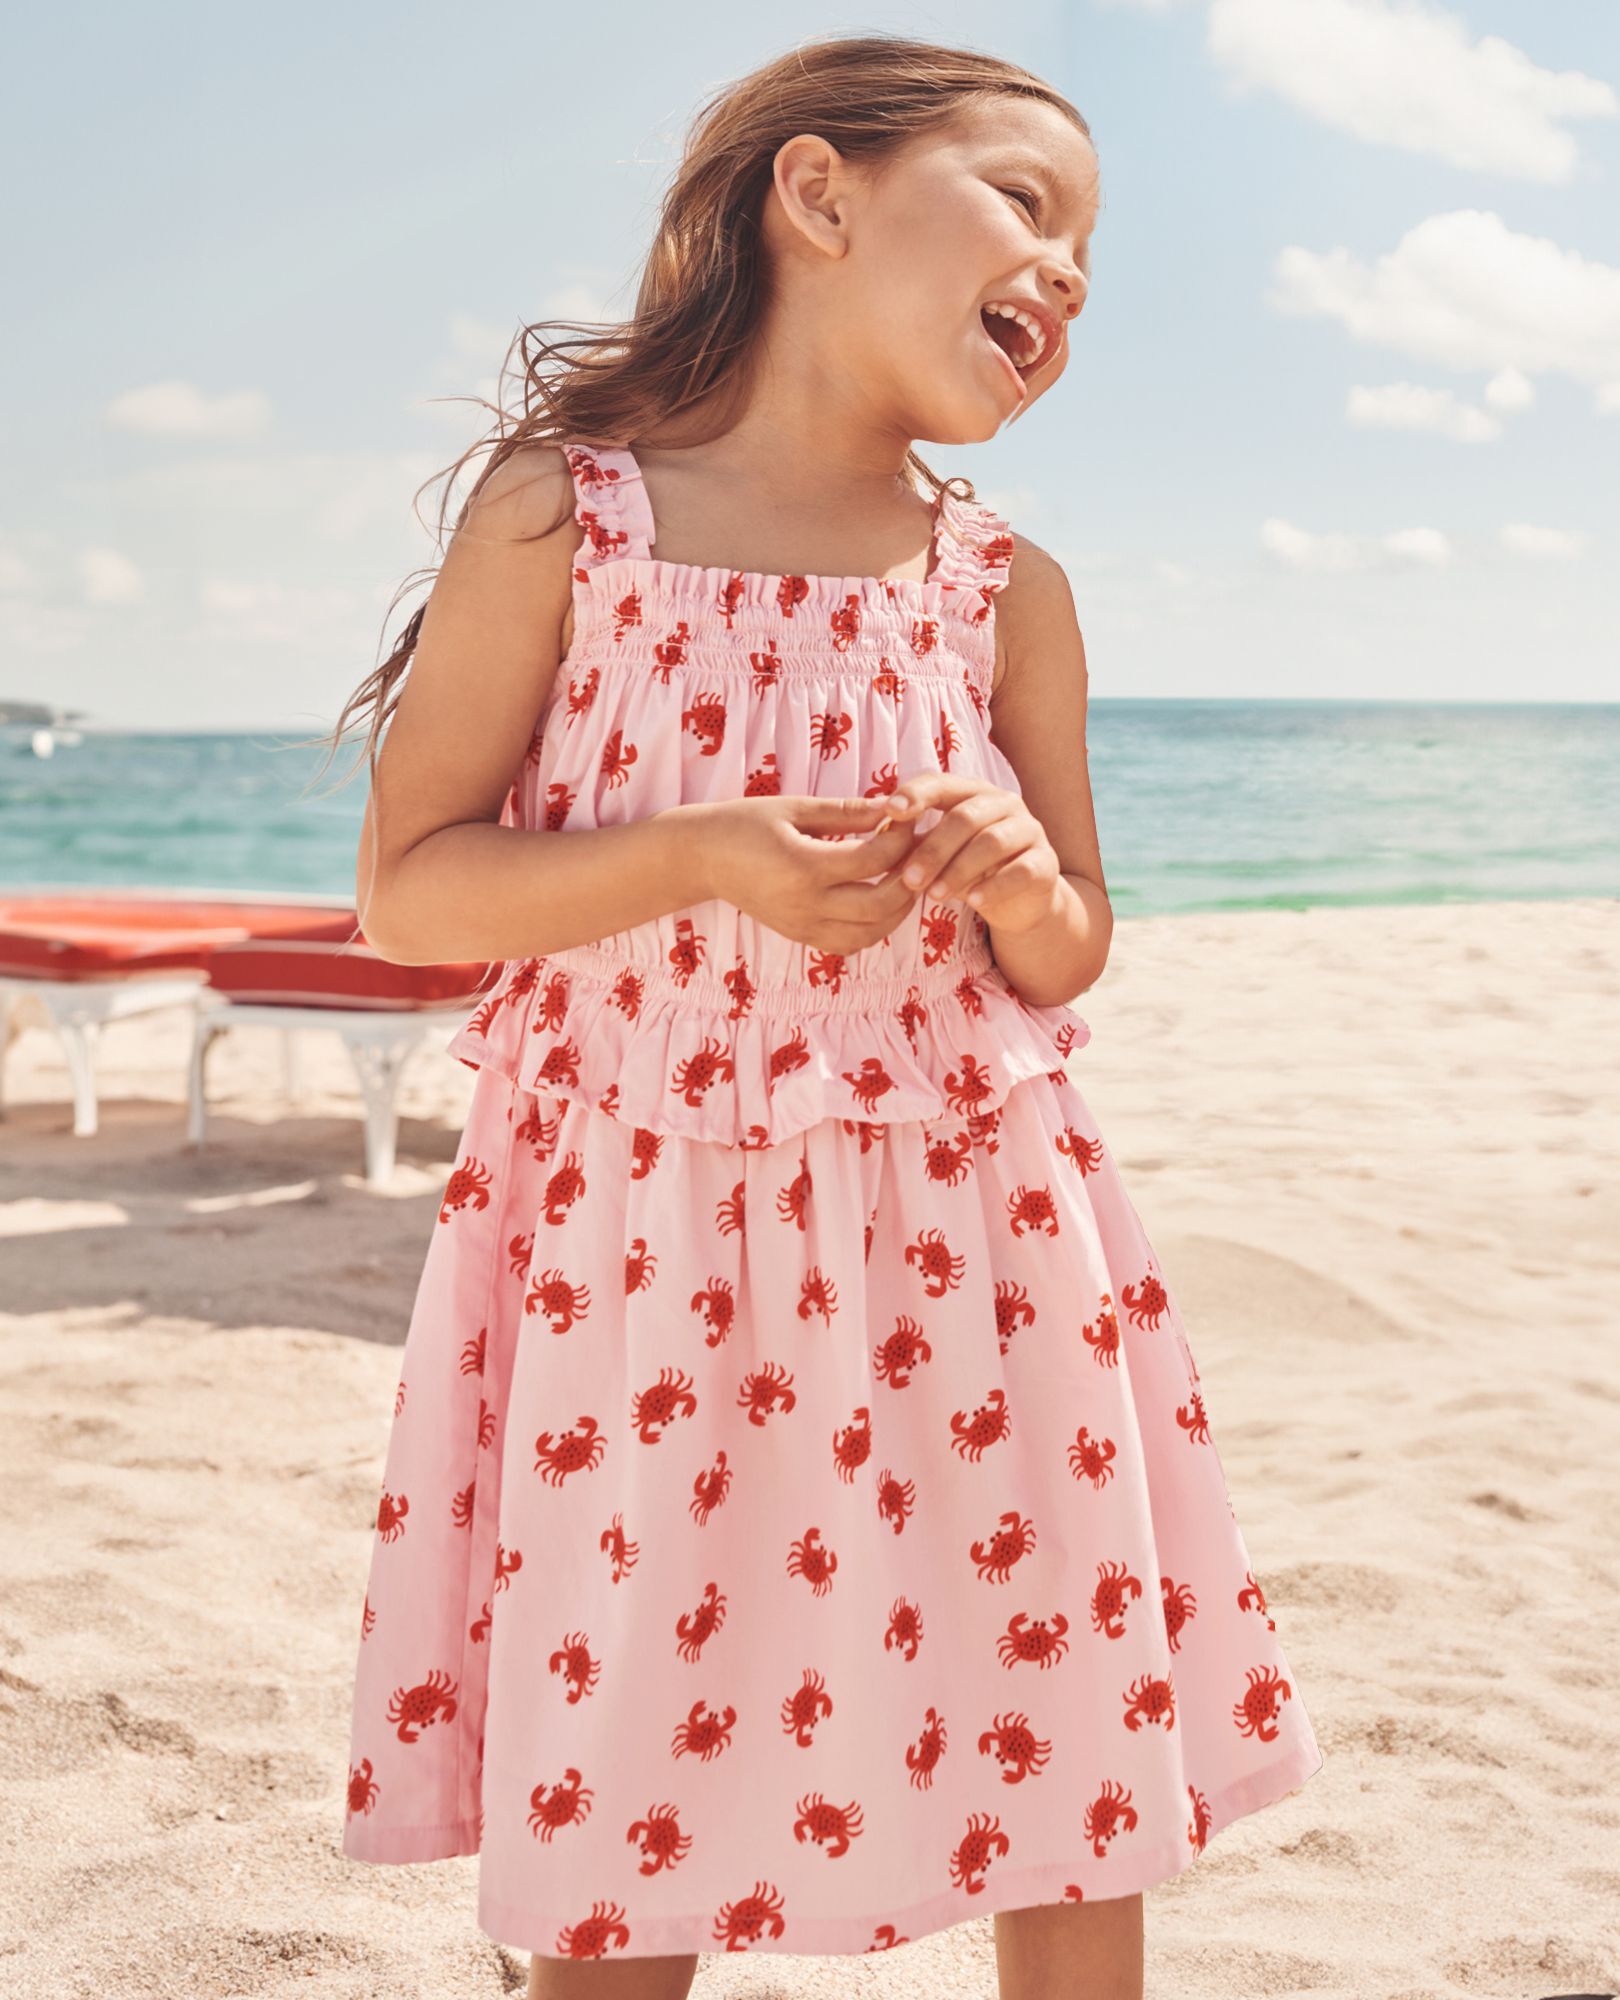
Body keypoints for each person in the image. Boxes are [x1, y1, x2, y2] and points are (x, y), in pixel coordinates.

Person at [332, 32, 1324, 2000]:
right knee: (636, 1774)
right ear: (819, 195)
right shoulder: (569, 521)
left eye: (1094, 265)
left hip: (988, 1237)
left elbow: (1070, 948)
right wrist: (701, 853)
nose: (1064, 278)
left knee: (1059, 1738)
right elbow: (409, 888)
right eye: (1027, 205)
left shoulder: (1002, 588)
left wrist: (1022, 883)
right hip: (645, 1236)